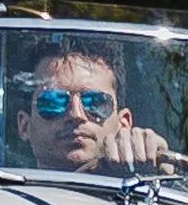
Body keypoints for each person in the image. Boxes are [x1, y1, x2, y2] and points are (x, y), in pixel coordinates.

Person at [13, 39, 176, 177]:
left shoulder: (150, 201)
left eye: (95, 102)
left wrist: (155, 167)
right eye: (53, 102)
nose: (76, 114)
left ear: (124, 123)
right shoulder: (3, 199)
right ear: (24, 125)